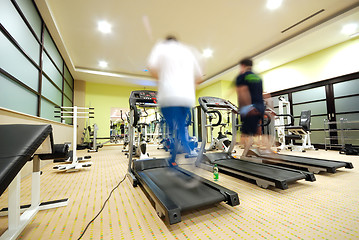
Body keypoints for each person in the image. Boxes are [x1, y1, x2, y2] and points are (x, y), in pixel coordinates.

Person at [147, 35, 203, 166]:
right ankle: (188, 151)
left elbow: (151, 67)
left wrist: (160, 81)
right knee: (182, 127)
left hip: (168, 95)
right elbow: (199, 76)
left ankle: (173, 158)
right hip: (186, 98)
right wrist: (190, 88)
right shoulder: (189, 51)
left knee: (171, 128)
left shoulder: (161, 47)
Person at [234, 58, 265, 156]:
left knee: (244, 135)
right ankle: (247, 153)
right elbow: (262, 94)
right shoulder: (258, 77)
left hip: (249, 108)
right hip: (260, 107)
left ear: (242, 65)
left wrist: (249, 107)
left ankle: (273, 157)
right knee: (256, 131)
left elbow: (243, 91)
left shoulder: (242, 76)